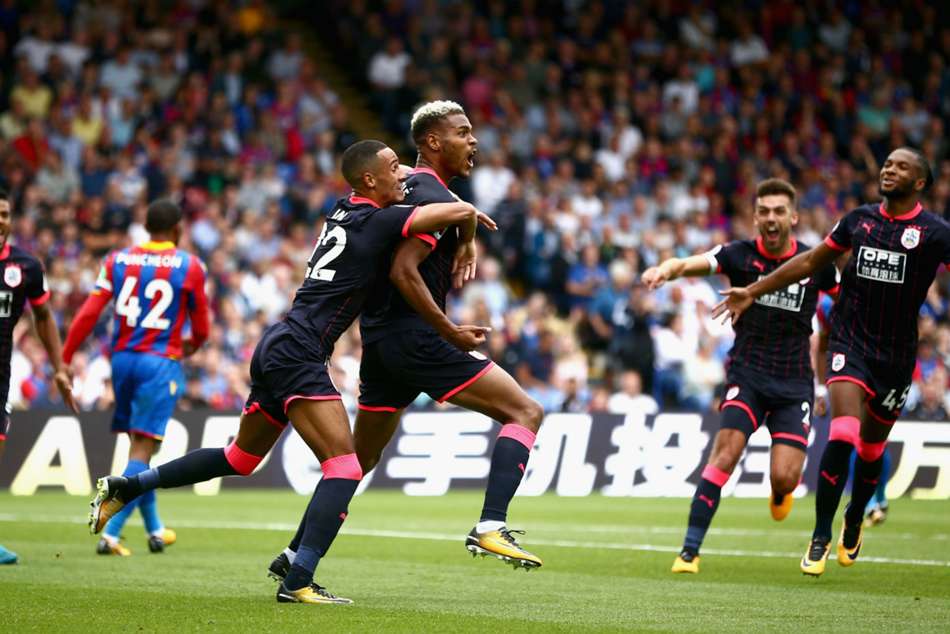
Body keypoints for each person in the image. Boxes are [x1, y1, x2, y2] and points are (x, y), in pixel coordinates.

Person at [88, 139, 494, 604]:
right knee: (345, 467)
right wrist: (466, 219)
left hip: (278, 344)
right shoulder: (377, 220)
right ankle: (298, 579)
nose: (403, 173)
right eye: (393, 167)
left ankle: (127, 485)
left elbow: (423, 210)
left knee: (240, 458)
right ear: (369, 180)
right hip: (300, 351)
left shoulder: (343, 212)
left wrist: (457, 219)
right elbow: (446, 212)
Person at [269, 100, 547, 580]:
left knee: (357, 460)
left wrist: (466, 236)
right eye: (463, 132)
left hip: (382, 344)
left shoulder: (417, 190)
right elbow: (403, 270)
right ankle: (491, 524)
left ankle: (297, 555)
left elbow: (445, 219)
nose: (473, 140)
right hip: (416, 338)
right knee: (525, 411)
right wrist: (450, 331)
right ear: (433, 142)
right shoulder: (426, 194)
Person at [714, 147, 950, 576]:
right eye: (888, 163)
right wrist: (754, 289)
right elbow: (808, 260)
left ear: (919, 182)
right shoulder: (859, 220)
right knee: (842, 434)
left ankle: (855, 516)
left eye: (901, 166)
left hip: (895, 358)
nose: (888, 169)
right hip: (849, 343)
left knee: (872, 449)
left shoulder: (934, 233)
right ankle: (821, 534)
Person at [642, 178, 839, 574]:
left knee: (785, 478)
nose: (771, 218)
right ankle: (689, 552)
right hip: (747, 375)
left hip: (793, 383)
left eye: (779, 211)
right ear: (754, 217)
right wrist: (665, 269)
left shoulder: (814, 263)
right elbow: (690, 263)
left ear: (793, 217)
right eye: (763, 211)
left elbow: (846, 299)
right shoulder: (738, 255)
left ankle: (779, 492)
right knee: (725, 453)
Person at [64, 199, 210, 556]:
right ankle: (110, 533)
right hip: (159, 361)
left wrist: (64, 356)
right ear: (177, 230)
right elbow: (202, 328)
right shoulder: (189, 265)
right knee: (143, 452)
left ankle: (155, 530)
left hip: (123, 361)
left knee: (140, 451)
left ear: (146, 229)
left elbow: (89, 312)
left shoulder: (117, 260)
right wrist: (190, 346)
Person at [0, 188, 77, 565]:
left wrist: (59, 368)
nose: (0, 221)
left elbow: (44, 318)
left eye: (4, 214)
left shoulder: (25, 267)